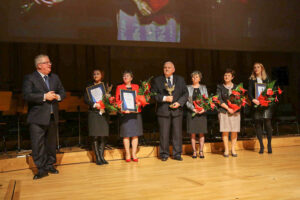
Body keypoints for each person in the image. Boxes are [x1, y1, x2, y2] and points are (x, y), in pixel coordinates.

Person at [22, 54, 65, 180]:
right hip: (37, 118)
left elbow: (62, 92)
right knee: (38, 144)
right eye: (47, 62)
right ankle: (41, 168)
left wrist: (58, 96)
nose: (50, 64)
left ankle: (50, 165)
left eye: (50, 62)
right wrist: (44, 96)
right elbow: (26, 95)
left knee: (51, 143)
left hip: (52, 117)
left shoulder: (54, 77)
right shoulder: (30, 78)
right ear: (39, 65)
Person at [152, 61, 188, 161]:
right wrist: (164, 98)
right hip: (163, 111)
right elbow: (153, 95)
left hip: (177, 110)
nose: (167, 69)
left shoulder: (180, 80)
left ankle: (177, 154)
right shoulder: (157, 80)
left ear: (173, 69)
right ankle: (164, 154)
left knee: (177, 134)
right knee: (164, 134)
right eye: (165, 67)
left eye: (169, 67)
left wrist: (179, 103)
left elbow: (185, 94)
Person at [115, 70, 143, 162]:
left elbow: (140, 98)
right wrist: (123, 108)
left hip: (135, 113)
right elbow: (117, 100)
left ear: (131, 78)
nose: (125, 77)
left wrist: (139, 103)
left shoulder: (136, 87)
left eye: (127, 76)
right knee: (126, 135)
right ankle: (127, 153)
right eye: (124, 76)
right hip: (125, 113)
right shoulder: (119, 87)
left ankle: (134, 154)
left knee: (135, 135)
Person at [84, 69, 110, 165]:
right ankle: (97, 158)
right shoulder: (89, 87)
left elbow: (109, 99)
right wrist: (95, 104)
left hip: (103, 113)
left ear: (102, 75)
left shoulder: (106, 86)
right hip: (93, 112)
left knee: (103, 136)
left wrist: (108, 100)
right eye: (94, 74)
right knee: (95, 136)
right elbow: (86, 99)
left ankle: (102, 157)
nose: (95, 75)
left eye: (97, 74)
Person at [248, 62, 274, 154]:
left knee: (268, 124)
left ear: (262, 68)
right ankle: (262, 146)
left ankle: (269, 144)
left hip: (266, 105)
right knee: (258, 125)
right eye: (254, 67)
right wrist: (253, 100)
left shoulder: (267, 79)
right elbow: (249, 93)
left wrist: (267, 99)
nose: (256, 69)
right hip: (256, 105)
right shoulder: (251, 79)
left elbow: (271, 91)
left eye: (258, 67)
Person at [216, 68, 240, 157]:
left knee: (234, 130)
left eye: (228, 75)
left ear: (232, 77)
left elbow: (240, 99)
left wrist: (235, 108)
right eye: (225, 75)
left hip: (235, 111)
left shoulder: (237, 87)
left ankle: (233, 149)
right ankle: (226, 150)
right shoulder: (220, 87)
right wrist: (228, 108)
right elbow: (219, 99)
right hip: (223, 111)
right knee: (225, 131)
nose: (226, 77)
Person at [186, 71, 208, 159]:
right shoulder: (187, 88)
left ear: (200, 78)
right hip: (192, 113)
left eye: (196, 77)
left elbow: (207, 100)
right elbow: (186, 101)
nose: (194, 78)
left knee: (201, 133)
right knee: (193, 133)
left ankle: (201, 151)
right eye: (193, 77)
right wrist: (193, 109)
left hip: (201, 113)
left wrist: (203, 108)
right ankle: (194, 151)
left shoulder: (203, 87)